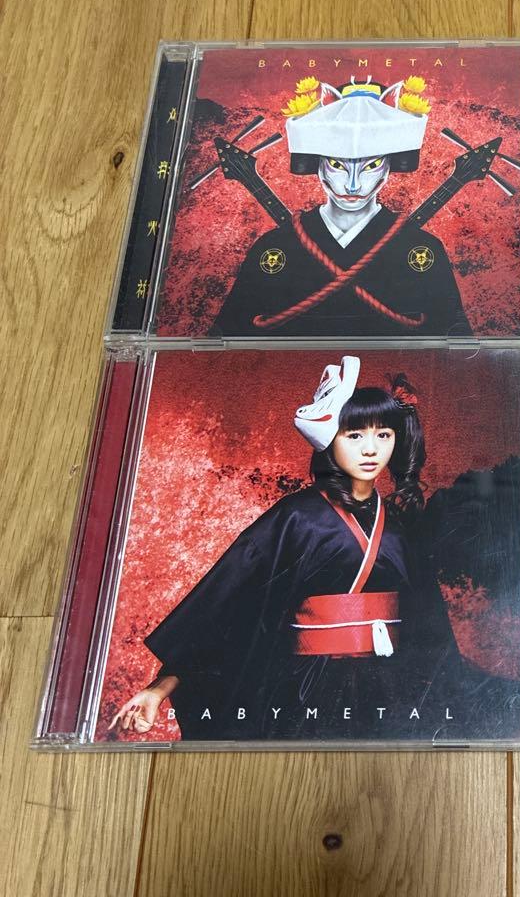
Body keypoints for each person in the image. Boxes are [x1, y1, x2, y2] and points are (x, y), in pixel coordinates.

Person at [110, 357, 485, 741]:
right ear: (330, 439)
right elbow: (226, 606)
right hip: (307, 687)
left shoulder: (399, 525)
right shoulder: (296, 517)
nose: (371, 450)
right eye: (355, 436)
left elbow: (429, 626)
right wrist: (159, 689)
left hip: (389, 685)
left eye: (384, 435)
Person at [212, 77, 470, 337]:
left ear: (389, 167)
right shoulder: (273, 246)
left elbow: (455, 339)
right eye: (337, 165)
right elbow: (226, 336)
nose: (352, 185)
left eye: (371, 166)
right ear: (317, 164)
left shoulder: (423, 247)